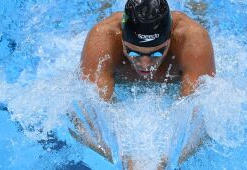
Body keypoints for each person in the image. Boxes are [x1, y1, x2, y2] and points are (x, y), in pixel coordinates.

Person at [74, 0, 215, 169]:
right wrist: (124, 159)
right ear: (121, 39)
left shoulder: (192, 40)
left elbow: (199, 124)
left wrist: (168, 161)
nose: (145, 64)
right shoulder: (103, 39)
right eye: (133, 52)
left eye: (157, 52)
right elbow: (88, 118)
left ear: (171, 38)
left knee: (200, 16)